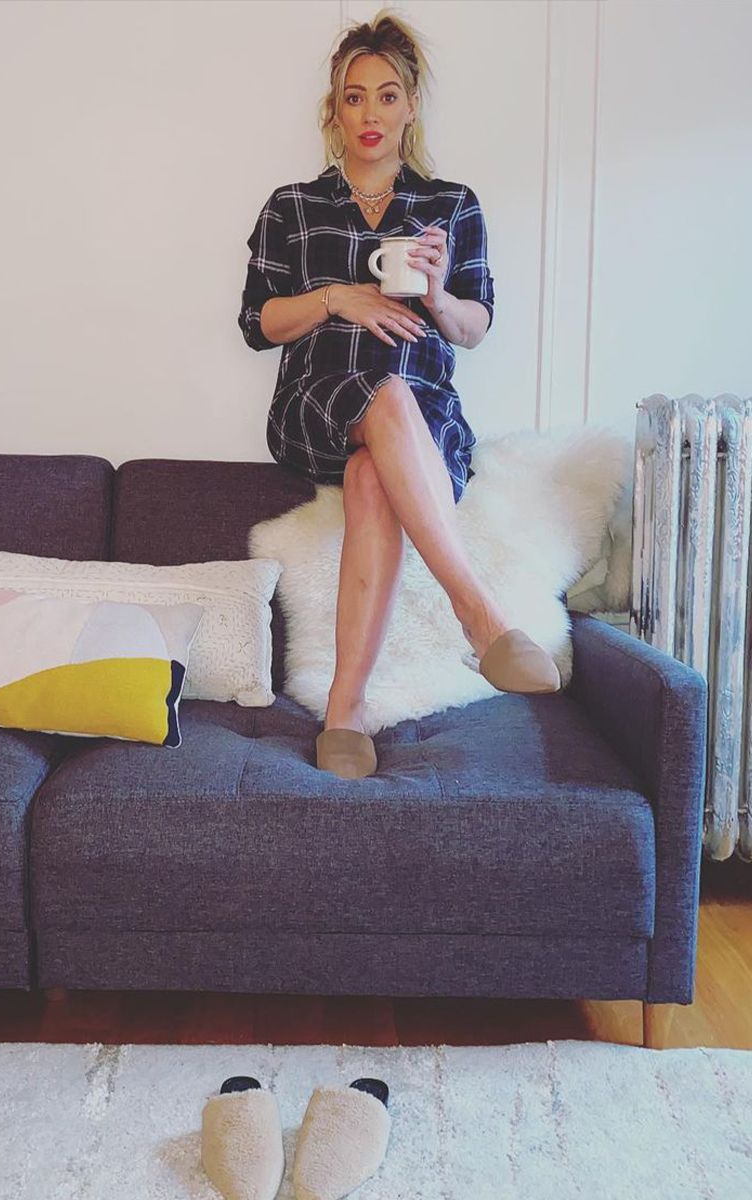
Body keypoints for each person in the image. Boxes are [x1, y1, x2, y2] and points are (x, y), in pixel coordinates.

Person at [239, 8, 562, 780]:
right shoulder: (293, 206)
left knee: (370, 476)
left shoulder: (451, 205)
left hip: (424, 417)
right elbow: (258, 323)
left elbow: (474, 326)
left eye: (387, 96)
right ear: (335, 109)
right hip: (318, 399)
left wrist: (440, 292)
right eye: (355, 97)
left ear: (411, 106)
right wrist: (338, 299)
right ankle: (479, 615)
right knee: (378, 396)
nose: (371, 114)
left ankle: (343, 715)